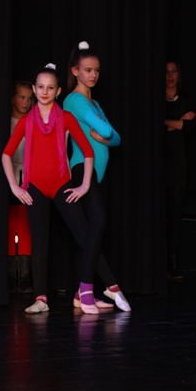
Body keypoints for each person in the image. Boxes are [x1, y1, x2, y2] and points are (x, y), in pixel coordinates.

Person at [2, 63, 100, 314]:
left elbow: (88, 151)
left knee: (84, 236)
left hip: (61, 184)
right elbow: (6, 154)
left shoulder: (65, 118)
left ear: (58, 92)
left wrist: (84, 185)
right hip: (35, 186)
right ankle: (41, 298)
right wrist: (14, 187)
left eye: (50, 88)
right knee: (39, 243)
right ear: (35, 89)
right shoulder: (26, 121)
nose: (45, 92)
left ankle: (93, 290)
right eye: (41, 87)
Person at [64, 40, 131, 312]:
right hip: (83, 168)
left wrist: (105, 138)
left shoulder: (95, 102)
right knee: (99, 221)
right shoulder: (74, 100)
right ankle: (87, 288)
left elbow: (116, 138)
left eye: (97, 70)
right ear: (75, 71)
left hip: (98, 173)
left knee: (90, 231)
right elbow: (105, 130)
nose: (93, 75)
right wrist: (105, 135)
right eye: (88, 70)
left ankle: (80, 293)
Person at [164, 60, 196, 280]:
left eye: (174, 71)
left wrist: (169, 123)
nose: (170, 76)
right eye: (166, 72)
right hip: (160, 162)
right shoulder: (158, 100)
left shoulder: (186, 100)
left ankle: (172, 263)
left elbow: (192, 126)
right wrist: (177, 122)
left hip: (178, 164)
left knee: (175, 214)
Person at [7, 80, 34, 293]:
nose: (25, 102)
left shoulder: (33, 122)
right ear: (12, 99)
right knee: (9, 225)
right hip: (9, 178)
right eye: (21, 97)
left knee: (25, 226)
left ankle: (24, 277)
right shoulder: (5, 123)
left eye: (29, 98)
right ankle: (9, 276)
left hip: (28, 178)